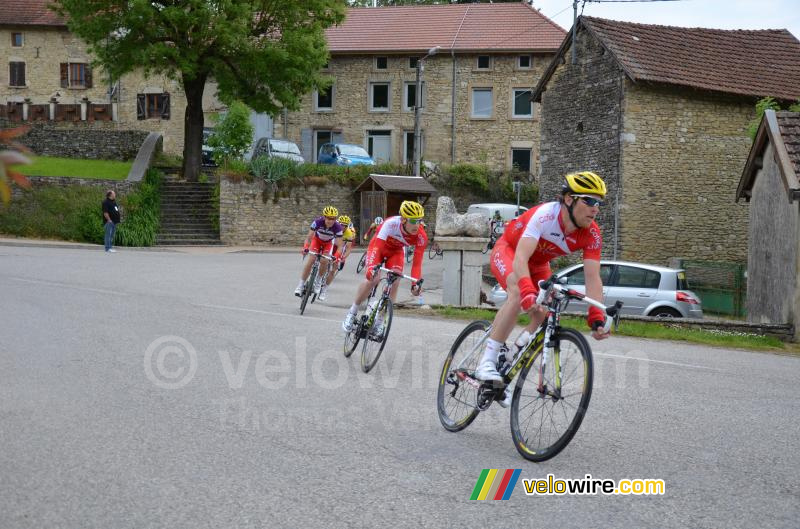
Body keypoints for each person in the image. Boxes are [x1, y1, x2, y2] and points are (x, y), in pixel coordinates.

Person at [474, 171, 612, 407]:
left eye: (599, 202)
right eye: (589, 201)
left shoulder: (592, 234)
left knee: (543, 313)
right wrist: (527, 290)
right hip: (510, 251)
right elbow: (520, 258)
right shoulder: (546, 215)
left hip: (538, 265)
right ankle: (486, 361)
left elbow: (593, 278)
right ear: (569, 199)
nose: (595, 208)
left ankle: (507, 362)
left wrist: (597, 316)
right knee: (518, 294)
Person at [342, 201, 426, 334]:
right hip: (379, 248)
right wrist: (371, 268)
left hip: (396, 252)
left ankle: (381, 320)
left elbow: (417, 263)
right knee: (373, 279)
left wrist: (415, 284)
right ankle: (352, 312)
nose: (417, 224)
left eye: (420, 220)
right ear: (403, 220)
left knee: (396, 280)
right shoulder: (390, 224)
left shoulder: (421, 236)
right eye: (414, 220)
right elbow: (377, 247)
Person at [294, 206, 344, 299]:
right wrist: (305, 247)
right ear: (324, 217)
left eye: (333, 219)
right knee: (311, 259)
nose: (330, 221)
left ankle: (318, 281)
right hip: (316, 241)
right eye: (328, 218)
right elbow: (309, 237)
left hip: (328, 243)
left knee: (324, 261)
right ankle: (300, 286)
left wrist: (336, 256)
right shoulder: (317, 222)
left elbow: (340, 245)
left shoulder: (338, 227)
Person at [320, 215, 356, 300]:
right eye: (341, 224)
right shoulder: (334, 227)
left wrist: (343, 258)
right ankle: (317, 277)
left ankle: (324, 289)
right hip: (330, 245)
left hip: (338, 249)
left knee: (334, 268)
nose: (342, 227)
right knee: (323, 261)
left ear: (347, 226)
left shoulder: (349, 233)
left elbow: (348, 249)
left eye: (345, 225)